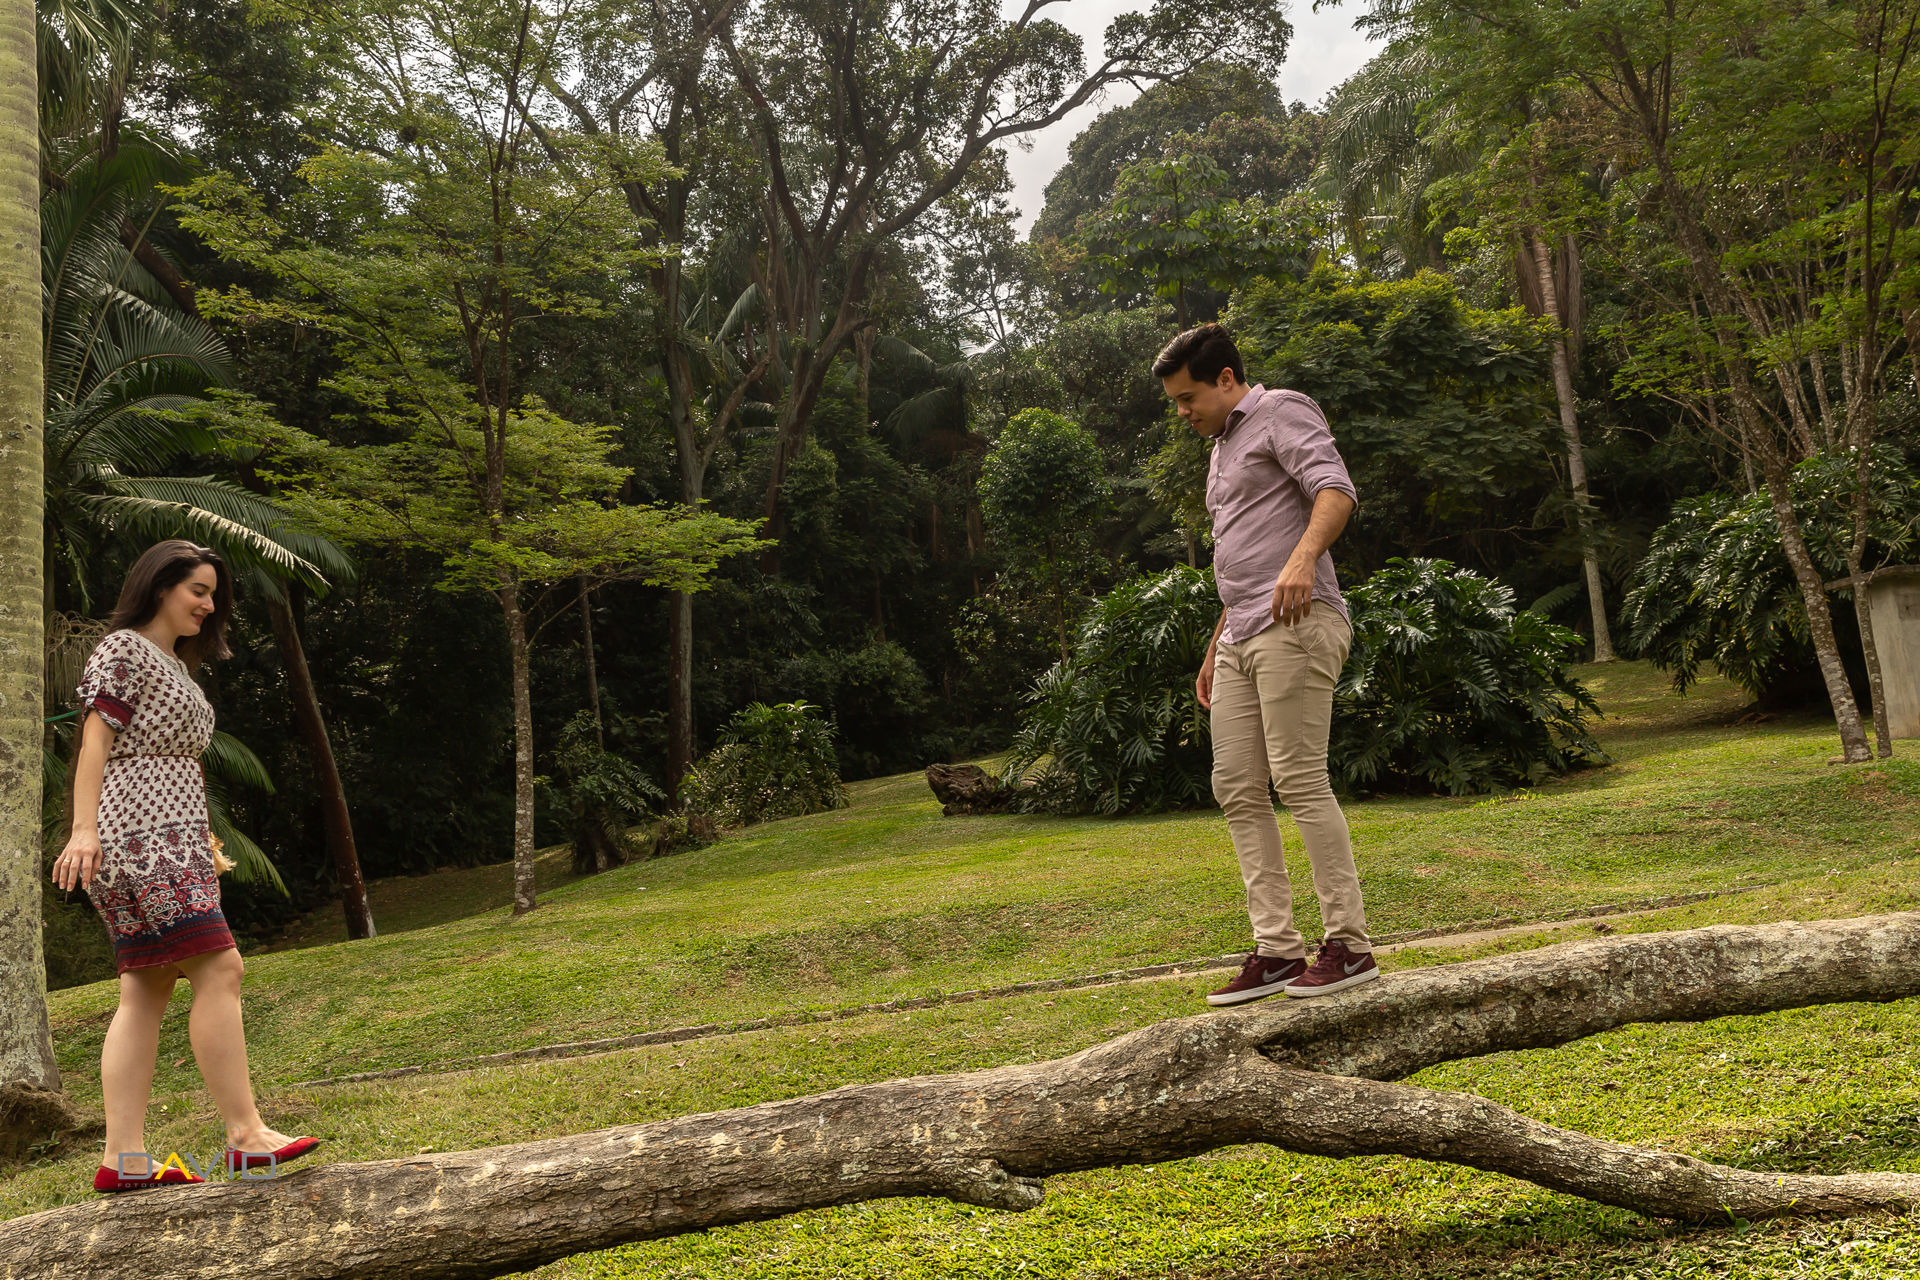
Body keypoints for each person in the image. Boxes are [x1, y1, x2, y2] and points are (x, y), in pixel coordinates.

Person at [52, 540, 321, 1193]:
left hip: (171, 838)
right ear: (160, 586)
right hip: (137, 839)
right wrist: (83, 830)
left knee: (145, 989)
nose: (208, 605)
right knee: (219, 967)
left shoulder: (175, 664)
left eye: (213, 596)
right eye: (198, 591)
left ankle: (125, 1159)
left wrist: (201, 834)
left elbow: (175, 760)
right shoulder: (123, 651)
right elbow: (95, 740)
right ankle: (245, 1133)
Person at [1154, 324, 1380, 1006]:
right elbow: (1246, 555)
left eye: (1189, 396)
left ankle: (1348, 945)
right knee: (1238, 786)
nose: (1183, 411)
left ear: (1226, 379)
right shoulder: (1220, 450)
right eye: (1176, 401)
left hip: (1298, 622)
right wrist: (1216, 641)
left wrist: (1305, 559)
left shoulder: (1281, 409)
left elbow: (1334, 491)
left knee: (1299, 778)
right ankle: (1278, 949)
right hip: (1242, 633)